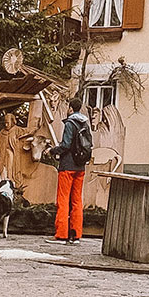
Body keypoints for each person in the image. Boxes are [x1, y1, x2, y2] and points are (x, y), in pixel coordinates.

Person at [53, 95, 93, 242]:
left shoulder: (70, 123)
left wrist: (53, 150)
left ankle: (61, 234)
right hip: (80, 166)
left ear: (70, 108)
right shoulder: (85, 124)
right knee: (77, 201)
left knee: (63, 200)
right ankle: (76, 234)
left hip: (67, 166)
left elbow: (66, 145)